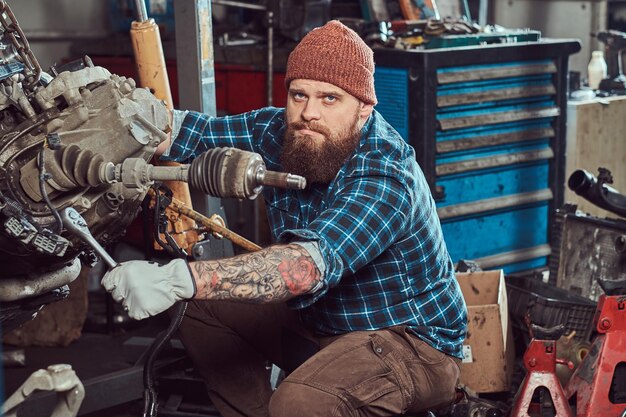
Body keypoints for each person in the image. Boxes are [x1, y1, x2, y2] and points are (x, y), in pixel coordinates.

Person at [102, 20, 468, 417]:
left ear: (363, 108)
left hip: (410, 344)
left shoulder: (385, 173)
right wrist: (120, 118)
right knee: (199, 306)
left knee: (300, 403)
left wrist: (175, 278)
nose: (308, 113)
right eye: (299, 95)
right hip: (324, 321)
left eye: (330, 99)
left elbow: (307, 266)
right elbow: (194, 132)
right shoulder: (279, 131)